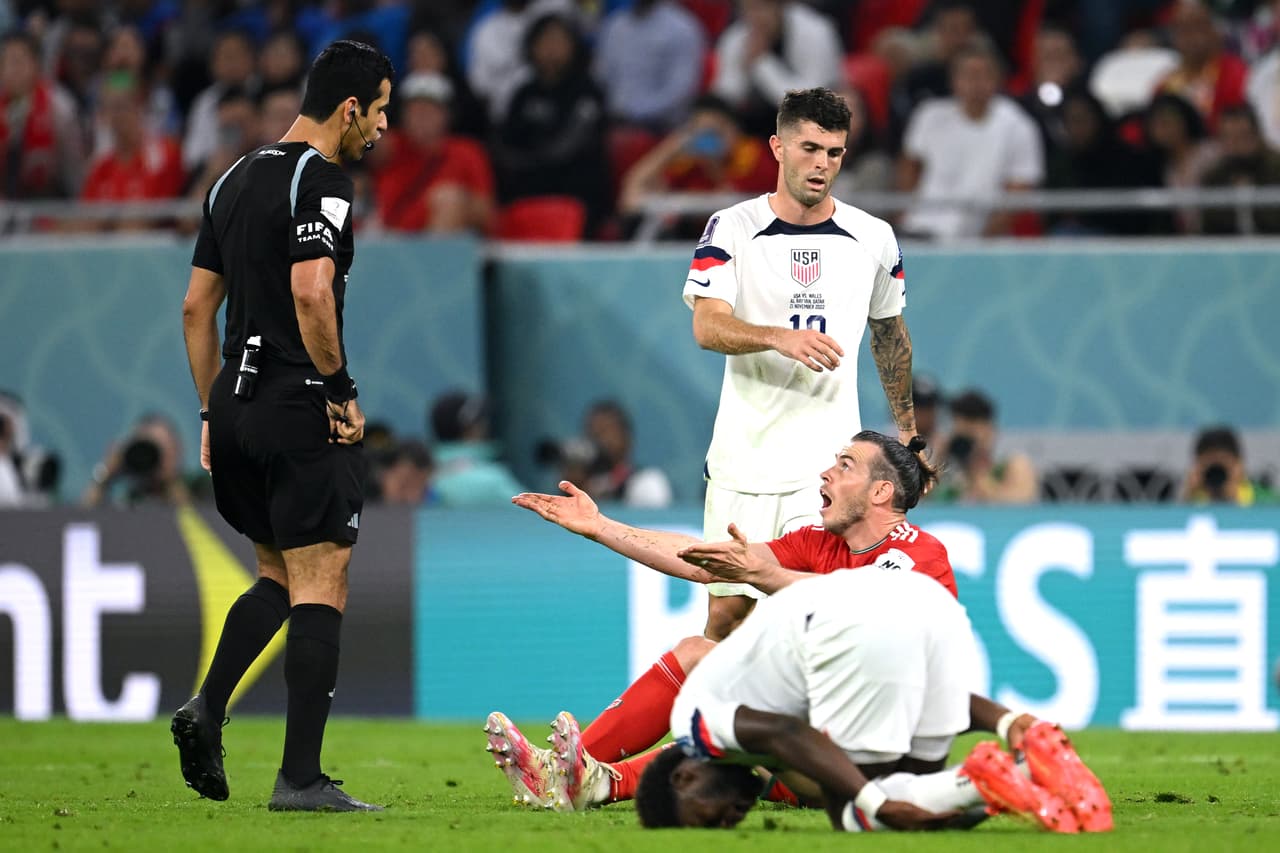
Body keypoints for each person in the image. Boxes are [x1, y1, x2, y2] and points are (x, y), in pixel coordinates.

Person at [497, 431, 955, 811]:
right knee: (700, 655)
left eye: (846, 465)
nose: (826, 472)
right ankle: (565, 774)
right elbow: (706, 562)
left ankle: (592, 780)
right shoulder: (820, 542)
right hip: (810, 746)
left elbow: (864, 610)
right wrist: (601, 526)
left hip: (875, 763)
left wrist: (766, 574)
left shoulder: (918, 552)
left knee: (747, 713)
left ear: (881, 491)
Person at [175, 39, 394, 812]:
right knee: (323, 582)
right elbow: (311, 292)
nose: (382, 128)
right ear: (348, 109)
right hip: (298, 403)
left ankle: (207, 705)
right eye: (380, 111)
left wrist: (211, 407)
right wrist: (340, 389)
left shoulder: (231, 178)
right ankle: (300, 776)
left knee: (278, 573)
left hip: (234, 405)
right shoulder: (323, 179)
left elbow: (197, 309)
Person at [682, 87, 920, 643]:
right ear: (777, 147)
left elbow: (890, 336)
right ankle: (702, 731)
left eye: (834, 153)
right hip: (743, 463)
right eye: (810, 148)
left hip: (826, 473)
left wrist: (908, 431)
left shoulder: (875, 238)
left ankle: (817, 732)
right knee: (726, 618)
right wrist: (775, 338)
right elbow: (706, 326)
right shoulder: (731, 229)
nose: (822, 164)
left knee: (815, 619)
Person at [631, 570, 1111, 833]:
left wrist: (871, 800)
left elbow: (788, 734)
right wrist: (1007, 721)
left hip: (841, 626)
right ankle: (1025, 770)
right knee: (917, 791)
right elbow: (918, 701)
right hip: (926, 601)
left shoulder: (692, 723)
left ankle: (983, 779)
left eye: (707, 821)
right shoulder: (748, 715)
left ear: (685, 775)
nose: (731, 822)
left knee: (858, 815)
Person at [899, 44, 1044, 239]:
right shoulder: (929, 115)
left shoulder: (1019, 126)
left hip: (980, 236)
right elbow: (909, 169)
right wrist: (906, 212)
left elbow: (1019, 191)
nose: (976, 83)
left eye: (983, 75)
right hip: (921, 228)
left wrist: (983, 239)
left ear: (997, 79)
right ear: (954, 80)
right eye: (968, 75)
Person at [368, 70, 495, 234]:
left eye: (429, 110)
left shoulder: (467, 152)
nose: (421, 117)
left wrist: (455, 200)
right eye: (414, 110)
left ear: (447, 115)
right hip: (390, 240)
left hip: (439, 244)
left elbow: (487, 213)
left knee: (449, 199)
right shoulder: (393, 147)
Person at [930, 389, 1038, 504]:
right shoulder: (952, 473)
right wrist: (938, 460)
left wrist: (978, 472)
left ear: (989, 429)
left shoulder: (1013, 464)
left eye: (970, 434)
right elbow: (922, 506)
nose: (965, 445)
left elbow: (1022, 505)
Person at [428, 390, 525, 507]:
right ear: (471, 428)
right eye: (480, 421)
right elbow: (540, 518)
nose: (485, 425)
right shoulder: (492, 481)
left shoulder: (415, 477)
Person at [1200, 103, 1280, 235]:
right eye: (1228, 138)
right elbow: (1211, 228)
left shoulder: (1276, 170)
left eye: (1243, 137)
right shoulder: (1213, 178)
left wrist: (1250, 198)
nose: (1236, 146)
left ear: (1257, 136)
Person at [82, 413, 189, 507]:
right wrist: (105, 474)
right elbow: (82, 519)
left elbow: (193, 518)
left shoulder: (197, 489)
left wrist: (169, 480)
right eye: (146, 447)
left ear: (177, 451)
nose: (152, 455)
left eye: (161, 449)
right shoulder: (126, 501)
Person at [1181, 425, 1277, 505]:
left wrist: (1233, 497)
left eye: (1221, 468)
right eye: (1211, 469)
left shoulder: (1269, 502)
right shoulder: (1191, 500)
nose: (1216, 474)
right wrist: (1187, 498)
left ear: (1239, 465)